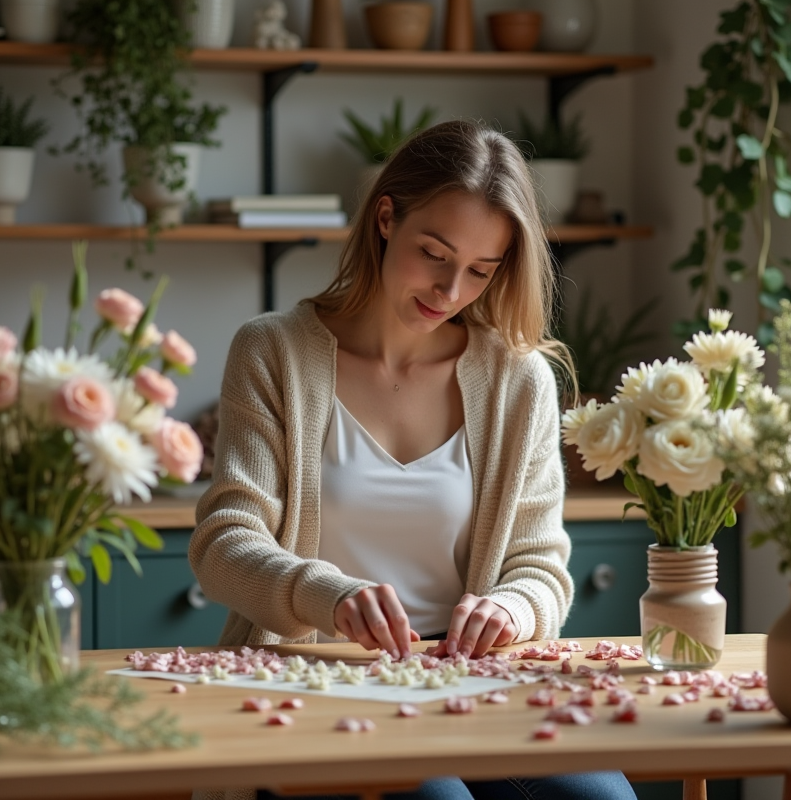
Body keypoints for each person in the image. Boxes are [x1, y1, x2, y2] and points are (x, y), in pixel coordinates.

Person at [189, 119, 636, 800]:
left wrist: (512, 610)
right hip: (315, 679)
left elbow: (541, 567)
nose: (450, 291)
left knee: (600, 798)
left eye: (481, 272)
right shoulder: (273, 352)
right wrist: (329, 596)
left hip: (471, 685)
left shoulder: (520, 381)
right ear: (386, 218)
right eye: (434, 253)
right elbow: (225, 545)